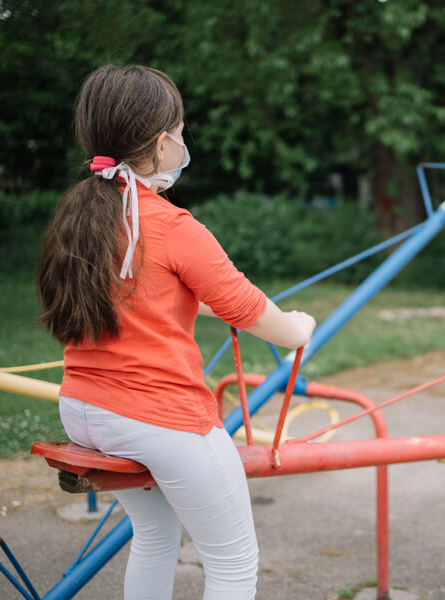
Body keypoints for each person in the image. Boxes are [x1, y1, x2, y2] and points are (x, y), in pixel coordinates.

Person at [36, 64, 316, 600]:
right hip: (157, 420)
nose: (184, 144)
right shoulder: (169, 223)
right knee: (233, 561)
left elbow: (134, 297)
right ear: (163, 144)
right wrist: (297, 329)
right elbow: (249, 309)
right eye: (182, 133)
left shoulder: (84, 214)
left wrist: (202, 307)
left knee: (155, 532)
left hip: (82, 410)